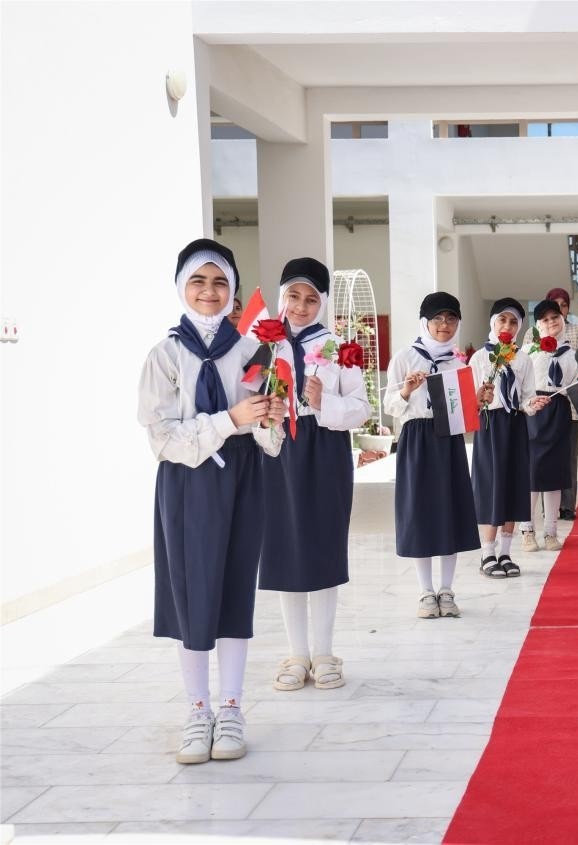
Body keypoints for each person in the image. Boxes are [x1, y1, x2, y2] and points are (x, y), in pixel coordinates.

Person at [138, 238, 285, 764]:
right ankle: (197, 710)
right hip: (188, 484)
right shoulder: (164, 355)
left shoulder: (252, 351)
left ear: (233, 290)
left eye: (220, 281)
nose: (209, 291)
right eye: (198, 281)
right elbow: (163, 438)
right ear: (182, 287)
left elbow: (270, 441)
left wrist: (271, 417)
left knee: (234, 591)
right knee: (192, 594)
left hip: (242, 478)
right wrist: (230, 420)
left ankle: (232, 708)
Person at [259, 258, 370, 692]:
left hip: (324, 451)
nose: (301, 306)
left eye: (310, 299)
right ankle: (296, 654)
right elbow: (247, 398)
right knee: (285, 549)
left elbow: (361, 408)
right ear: (282, 296)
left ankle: (324, 653)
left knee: (323, 548)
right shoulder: (264, 344)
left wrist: (325, 403)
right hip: (279, 450)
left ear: (322, 302)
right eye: (294, 296)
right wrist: (265, 412)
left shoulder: (339, 348)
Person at [383, 292, 481, 619]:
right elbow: (390, 407)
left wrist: (478, 400)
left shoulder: (458, 363)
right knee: (420, 513)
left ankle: (447, 590)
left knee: (450, 511)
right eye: (437, 318)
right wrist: (407, 390)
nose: (444, 325)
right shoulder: (405, 357)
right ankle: (425, 591)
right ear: (424, 322)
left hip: (449, 440)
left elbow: (464, 413)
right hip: (416, 438)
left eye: (451, 318)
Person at [469, 298, 548, 578]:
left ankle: (505, 552)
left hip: (515, 425)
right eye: (502, 320)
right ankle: (487, 553)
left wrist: (532, 404)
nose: (507, 326)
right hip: (490, 426)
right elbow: (471, 401)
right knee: (491, 485)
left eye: (514, 322)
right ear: (493, 323)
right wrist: (481, 397)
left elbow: (525, 397)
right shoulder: (480, 358)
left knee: (513, 484)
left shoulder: (523, 358)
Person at [522, 299, 576, 552]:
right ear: (538, 326)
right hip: (534, 411)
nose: (551, 322)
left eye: (555, 317)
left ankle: (551, 532)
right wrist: (530, 402)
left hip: (559, 412)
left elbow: (574, 383)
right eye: (545, 319)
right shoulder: (528, 352)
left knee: (555, 473)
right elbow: (521, 385)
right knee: (532, 473)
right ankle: (527, 530)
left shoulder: (571, 353)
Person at [547, 286, 578, 520]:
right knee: (547, 454)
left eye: (564, 305)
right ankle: (549, 506)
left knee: (570, 454)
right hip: (545, 404)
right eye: (556, 305)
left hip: (571, 403)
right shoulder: (534, 333)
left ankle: (568, 506)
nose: (560, 310)